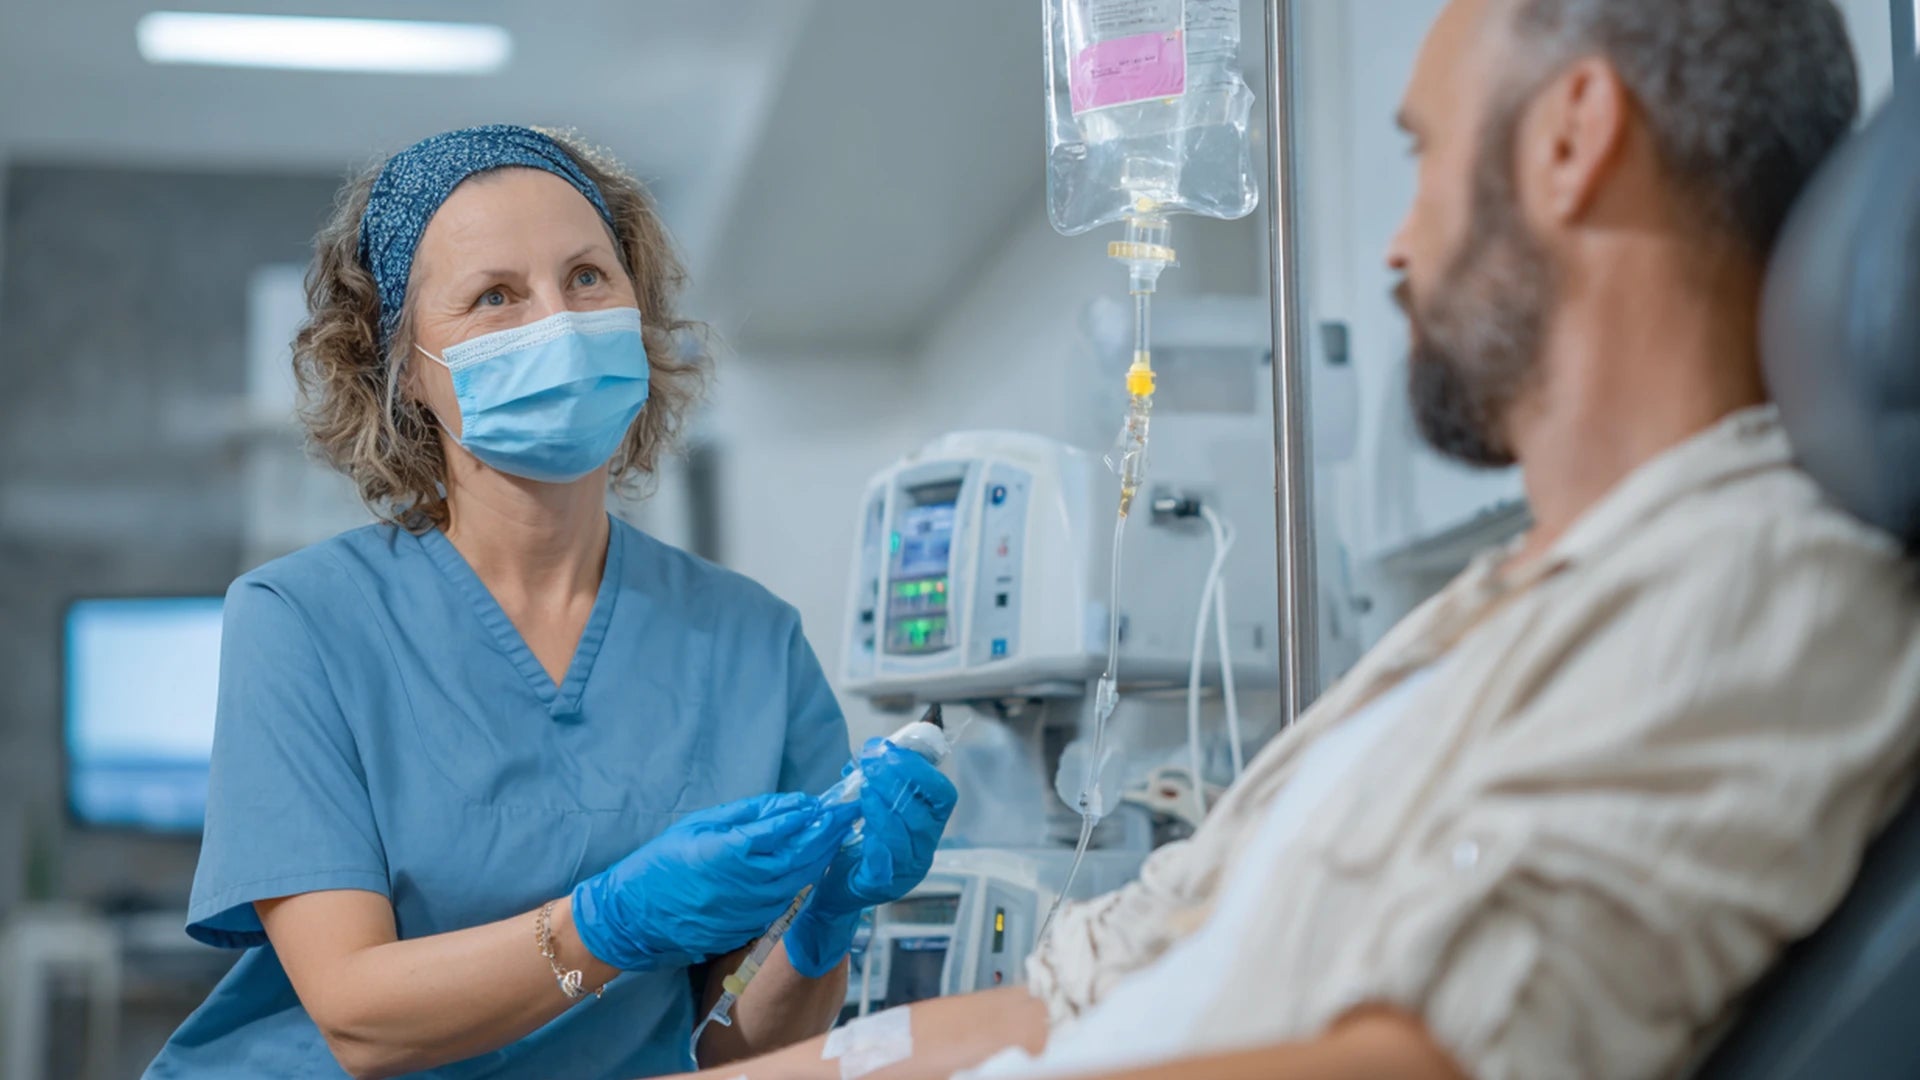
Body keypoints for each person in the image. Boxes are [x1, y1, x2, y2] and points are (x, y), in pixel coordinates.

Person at [674, 1, 1920, 1078]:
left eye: (1424, 155)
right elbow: (1064, 1001)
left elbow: (1423, 1061)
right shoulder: (1486, 618)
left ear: (1570, 137)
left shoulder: (1760, 583)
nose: (1396, 243)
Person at [145, 125, 957, 1080]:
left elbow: (740, 1048)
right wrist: (603, 925)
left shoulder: (751, 641)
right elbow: (359, 1020)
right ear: (403, 365)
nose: (559, 324)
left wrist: (824, 923)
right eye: (496, 296)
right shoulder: (301, 619)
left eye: (586, 278)